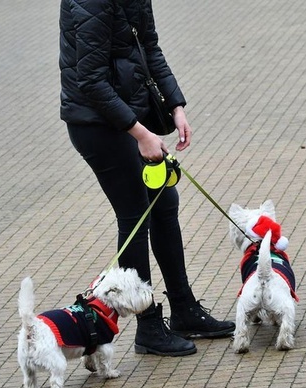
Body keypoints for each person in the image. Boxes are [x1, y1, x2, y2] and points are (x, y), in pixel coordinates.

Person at [59, 0, 235, 356]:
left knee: (164, 203)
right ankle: (148, 325)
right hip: (95, 124)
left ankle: (184, 309)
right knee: (135, 213)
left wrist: (176, 105)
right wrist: (140, 133)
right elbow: (90, 79)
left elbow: (148, 46)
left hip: (127, 114)